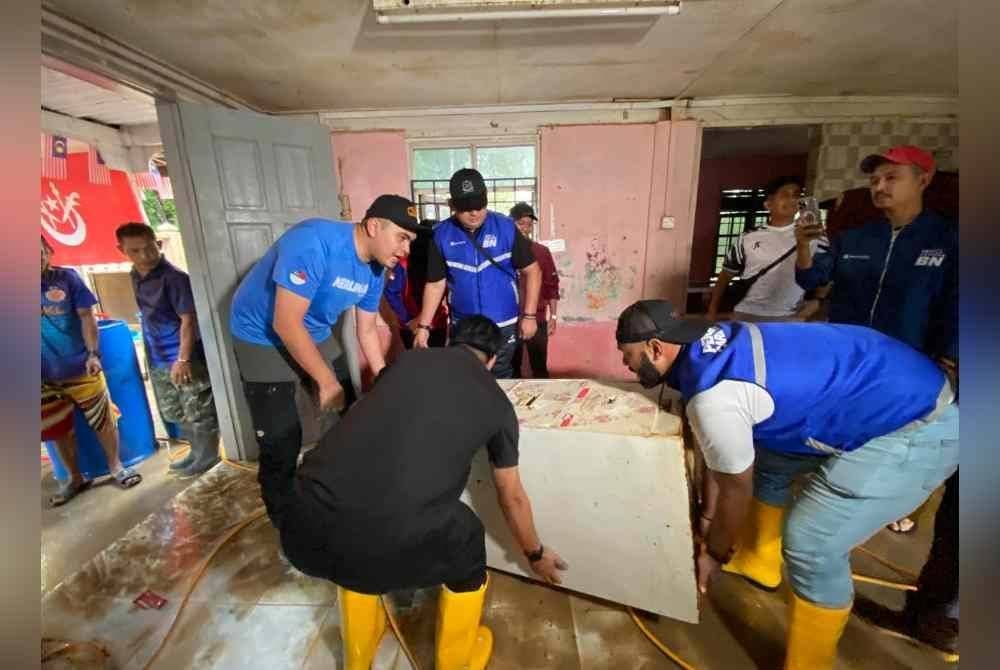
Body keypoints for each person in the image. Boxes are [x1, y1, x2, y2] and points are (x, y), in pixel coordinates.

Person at [614, 299, 958, 669]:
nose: (624, 364)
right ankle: (759, 561)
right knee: (771, 458)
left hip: (917, 424)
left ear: (656, 348)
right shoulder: (713, 341)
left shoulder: (713, 399)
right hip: (892, 379)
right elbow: (724, 460)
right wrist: (709, 519)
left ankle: (809, 664)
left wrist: (713, 553)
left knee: (811, 542)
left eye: (626, 354)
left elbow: (735, 488)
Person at [278, 316, 567, 670]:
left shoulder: (408, 361)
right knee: (466, 534)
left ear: (451, 343)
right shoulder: (497, 404)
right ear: (492, 359)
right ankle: (454, 662)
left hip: (302, 528)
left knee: (358, 500)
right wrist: (535, 554)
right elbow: (512, 494)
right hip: (379, 543)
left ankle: (358, 655)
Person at [795, 144, 959, 659]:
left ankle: (935, 604)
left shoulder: (949, 240)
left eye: (892, 177)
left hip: (916, 385)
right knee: (846, 460)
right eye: (875, 180)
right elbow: (812, 280)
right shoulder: (856, 238)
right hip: (853, 378)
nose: (880, 187)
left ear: (924, 179)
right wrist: (805, 246)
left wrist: (950, 364)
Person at [229, 195, 420, 527]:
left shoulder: (376, 270)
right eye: (402, 237)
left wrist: (383, 377)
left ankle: (338, 497)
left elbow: (366, 330)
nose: (406, 250)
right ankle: (286, 523)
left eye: (410, 242)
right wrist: (326, 381)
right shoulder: (313, 242)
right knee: (281, 441)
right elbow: (286, 323)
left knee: (348, 416)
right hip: (260, 334)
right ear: (374, 226)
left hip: (313, 329)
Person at [41, 236, 142, 506]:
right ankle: (74, 478)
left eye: (38, 251)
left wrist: (93, 354)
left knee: (102, 418)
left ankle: (116, 467)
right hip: (40, 375)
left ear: (48, 251)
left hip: (79, 366)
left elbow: (87, 317)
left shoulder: (66, 279)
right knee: (57, 428)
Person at [413, 168, 542, 379]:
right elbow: (435, 284)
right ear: (452, 205)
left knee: (501, 376)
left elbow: (533, 271)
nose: (474, 213)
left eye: (479, 205)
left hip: (503, 323)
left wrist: (529, 316)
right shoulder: (441, 235)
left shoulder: (506, 228)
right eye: (466, 208)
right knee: (463, 378)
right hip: (465, 327)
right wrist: (423, 327)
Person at [116, 222, 220, 478]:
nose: (144, 256)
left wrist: (183, 359)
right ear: (122, 251)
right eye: (135, 251)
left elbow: (188, 320)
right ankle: (196, 452)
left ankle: (207, 458)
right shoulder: (135, 275)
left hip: (183, 355)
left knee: (198, 409)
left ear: (158, 244)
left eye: (149, 248)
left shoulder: (174, 278)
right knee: (176, 410)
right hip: (158, 355)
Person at [706, 176, 822, 322]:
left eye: (796, 195)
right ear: (768, 204)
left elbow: (826, 273)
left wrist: (818, 300)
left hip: (791, 316)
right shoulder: (748, 237)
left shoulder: (813, 236)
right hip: (746, 313)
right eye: (785, 195)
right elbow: (725, 275)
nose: (793, 199)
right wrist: (712, 310)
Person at [509, 203, 560, 378]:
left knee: (539, 368)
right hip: (510, 320)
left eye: (529, 224)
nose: (525, 228)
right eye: (520, 223)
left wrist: (553, 316)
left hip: (537, 319)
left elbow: (552, 285)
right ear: (511, 224)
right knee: (511, 368)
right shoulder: (502, 251)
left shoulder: (541, 252)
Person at [382, 218, 448, 349]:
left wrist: (407, 319)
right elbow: (391, 292)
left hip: (419, 324)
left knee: (415, 359)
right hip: (428, 323)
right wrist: (408, 319)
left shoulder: (403, 263)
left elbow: (391, 292)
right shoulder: (442, 263)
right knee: (437, 358)